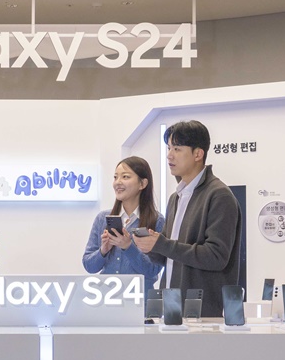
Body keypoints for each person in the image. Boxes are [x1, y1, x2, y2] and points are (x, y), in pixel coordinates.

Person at [133, 120, 241, 318]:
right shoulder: (176, 197)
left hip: (201, 312)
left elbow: (216, 257)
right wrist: (151, 247)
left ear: (198, 154)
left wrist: (162, 244)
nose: (169, 155)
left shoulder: (219, 195)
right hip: (170, 306)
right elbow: (168, 255)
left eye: (177, 149)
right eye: (169, 148)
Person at [82, 156, 164, 287]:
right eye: (115, 177)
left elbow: (152, 270)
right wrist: (103, 250)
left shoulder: (157, 221)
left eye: (125, 177)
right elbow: (89, 266)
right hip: (106, 296)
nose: (118, 182)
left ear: (143, 184)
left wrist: (128, 246)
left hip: (140, 298)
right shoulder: (102, 218)